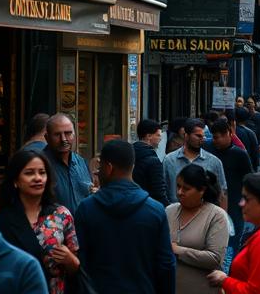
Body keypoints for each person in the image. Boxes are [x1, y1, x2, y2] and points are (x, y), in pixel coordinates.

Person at [74, 139, 175, 294]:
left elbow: (81, 262)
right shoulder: (155, 210)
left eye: (99, 167)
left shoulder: (86, 208)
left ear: (108, 168)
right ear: (132, 167)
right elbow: (166, 265)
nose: (97, 172)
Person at [0, 150, 80, 294]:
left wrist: (70, 260)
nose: (37, 178)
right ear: (15, 181)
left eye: (42, 172)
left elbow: (76, 268)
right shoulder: (1, 218)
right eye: (29, 173)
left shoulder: (61, 215)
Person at [166, 163, 227, 293]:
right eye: (178, 186)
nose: (179, 192)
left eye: (186, 188)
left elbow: (215, 258)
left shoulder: (216, 215)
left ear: (202, 190)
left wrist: (178, 250)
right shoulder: (170, 211)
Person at [204, 118, 253, 252]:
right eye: (213, 137)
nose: (215, 141)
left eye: (218, 137)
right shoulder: (207, 148)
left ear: (229, 134)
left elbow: (249, 178)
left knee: (232, 240)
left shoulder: (239, 154)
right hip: (210, 202)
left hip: (234, 203)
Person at [163, 118, 228, 210]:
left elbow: (222, 193)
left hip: (205, 216)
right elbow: (163, 190)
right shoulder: (169, 160)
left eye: (203, 136)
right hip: (176, 214)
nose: (202, 139)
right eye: (198, 136)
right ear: (186, 136)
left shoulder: (214, 162)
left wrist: (223, 218)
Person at [42, 114, 93, 214]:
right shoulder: (40, 165)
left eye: (68, 133)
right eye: (57, 134)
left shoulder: (80, 162)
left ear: (75, 135)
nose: (64, 139)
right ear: (47, 138)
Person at [133, 118, 168, 207]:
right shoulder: (153, 161)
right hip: (148, 206)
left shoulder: (129, 154)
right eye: (158, 135)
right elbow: (159, 193)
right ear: (148, 136)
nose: (160, 139)